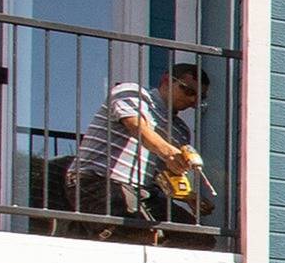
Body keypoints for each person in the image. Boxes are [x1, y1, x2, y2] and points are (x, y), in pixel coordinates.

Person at [71, 59, 213, 230]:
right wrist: (169, 153)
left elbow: (164, 175)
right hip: (98, 181)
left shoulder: (180, 130)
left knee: (196, 237)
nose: (193, 100)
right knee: (138, 231)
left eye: (200, 97)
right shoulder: (133, 93)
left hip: (143, 193)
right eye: (189, 91)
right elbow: (137, 127)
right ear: (167, 81)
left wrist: (189, 197)